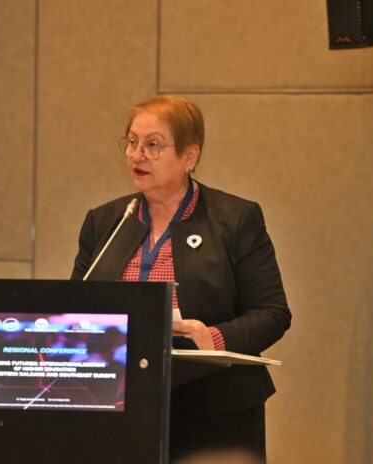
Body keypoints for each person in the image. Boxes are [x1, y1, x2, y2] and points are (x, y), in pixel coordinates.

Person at [71, 96, 291, 460]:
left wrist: (212, 339)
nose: (137, 155)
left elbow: (272, 313)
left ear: (190, 156)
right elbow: (75, 309)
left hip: (215, 410)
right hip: (121, 404)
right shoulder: (105, 221)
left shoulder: (235, 220)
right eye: (132, 142)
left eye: (153, 145)